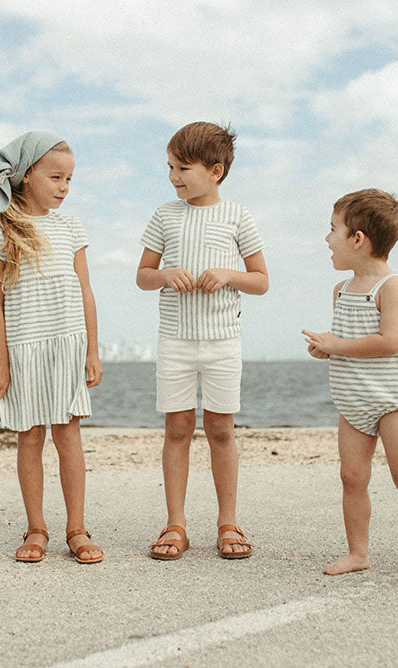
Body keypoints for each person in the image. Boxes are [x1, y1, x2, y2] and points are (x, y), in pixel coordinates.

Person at [137, 121, 268, 560]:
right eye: (170, 167)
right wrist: (164, 276)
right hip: (174, 340)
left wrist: (230, 274)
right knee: (176, 429)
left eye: (184, 168)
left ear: (216, 171)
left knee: (221, 431)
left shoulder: (237, 216)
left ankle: (227, 522)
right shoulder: (164, 215)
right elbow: (142, 276)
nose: (174, 176)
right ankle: (176, 524)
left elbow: (261, 280)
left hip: (222, 341)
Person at [0, 132, 104, 564]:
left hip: (67, 346)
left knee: (68, 435)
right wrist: (1, 362)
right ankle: (36, 528)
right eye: (55, 177)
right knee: (30, 438)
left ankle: (77, 529)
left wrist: (92, 351)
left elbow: (86, 292)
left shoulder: (71, 226)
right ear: (26, 177)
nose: (64, 187)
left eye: (69, 178)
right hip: (23, 346)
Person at [302, 189, 398, 582]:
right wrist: (328, 348)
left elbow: (389, 341)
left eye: (333, 230)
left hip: (396, 398)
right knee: (352, 477)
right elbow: (351, 341)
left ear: (357, 239)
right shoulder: (341, 291)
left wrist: (338, 344)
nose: (327, 239)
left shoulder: (393, 287)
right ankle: (358, 552)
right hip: (355, 398)